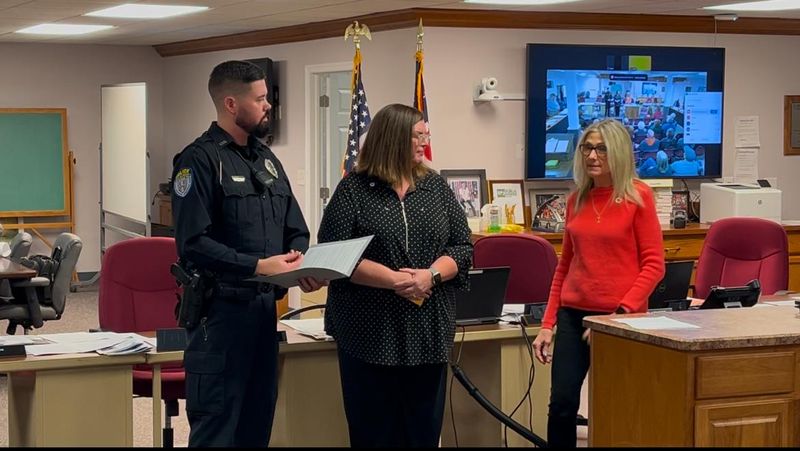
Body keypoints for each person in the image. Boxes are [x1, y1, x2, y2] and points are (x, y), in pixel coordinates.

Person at [171, 60, 324, 447]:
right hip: (219, 317)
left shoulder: (267, 160)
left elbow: (296, 229)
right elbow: (193, 243)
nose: (268, 105)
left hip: (262, 316)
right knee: (218, 428)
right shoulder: (198, 160)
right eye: (260, 99)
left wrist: (298, 262)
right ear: (231, 104)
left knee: (258, 424)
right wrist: (256, 265)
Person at [317, 103, 473, 447]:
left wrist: (429, 276)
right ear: (394, 139)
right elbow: (334, 255)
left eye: (426, 136)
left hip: (428, 332)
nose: (424, 144)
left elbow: (462, 248)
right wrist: (395, 280)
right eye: (419, 136)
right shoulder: (354, 190)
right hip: (368, 332)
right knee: (373, 432)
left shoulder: (435, 187)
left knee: (422, 432)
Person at [531, 118, 665, 448]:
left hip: (620, 320)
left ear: (617, 152)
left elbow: (654, 265)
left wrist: (618, 316)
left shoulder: (639, 197)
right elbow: (564, 268)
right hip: (574, 315)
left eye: (601, 149)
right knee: (561, 404)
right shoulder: (576, 200)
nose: (592, 156)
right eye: (587, 148)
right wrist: (547, 324)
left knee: (616, 406)